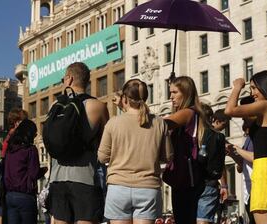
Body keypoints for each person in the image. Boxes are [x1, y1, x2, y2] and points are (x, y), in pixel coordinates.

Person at [98, 79, 173, 224]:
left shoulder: (113, 123)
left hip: (118, 187)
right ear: (145, 98)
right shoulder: (159, 123)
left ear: (124, 98)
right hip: (148, 187)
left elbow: (102, 157)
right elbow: (168, 156)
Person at [224, 71, 267, 224]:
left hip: (266, 177)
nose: (252, 93)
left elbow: (229, 110)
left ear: (266, 87)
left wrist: (237, 87)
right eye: (250, 89)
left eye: (254, 88)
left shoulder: (266, 105)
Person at [48, 62, 109, 224]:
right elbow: (106, 145)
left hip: (57, 178)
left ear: (69, 79)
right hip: (86, 178)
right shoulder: (98, 106)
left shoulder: (55, 106)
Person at [163, 75, 208, 224]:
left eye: (175, 92)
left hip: (186, 179)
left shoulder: (188, 112)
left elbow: (163, 124)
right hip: (186, 178)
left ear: (186, 93)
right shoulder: (194, 112)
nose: (171, 97)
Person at [4, 118, 43, 224]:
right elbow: (33, 173)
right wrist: (43, 171)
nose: (35, 135)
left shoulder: (10, 149)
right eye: (34, 133)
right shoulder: (30, 150)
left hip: (10, 196)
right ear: (29, 133)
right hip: (25, 196)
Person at [225, 96, 256, 224]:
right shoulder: (249, 137)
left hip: (257, 186)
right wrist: (232, 154)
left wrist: (238, 150)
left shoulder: (259, 134)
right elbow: (241, 166)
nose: (242, 118)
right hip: (249, 188)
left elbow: (256, 158)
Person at [197, 109, 229, 224]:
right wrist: (224, 186)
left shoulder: (192, 133)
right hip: (209, 182)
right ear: (213, 119)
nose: (223, 128)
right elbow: (220, 164)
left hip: (190, 183)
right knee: (203, 220)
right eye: (222, 124)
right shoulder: (218, 137)